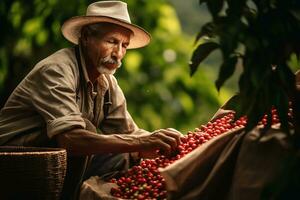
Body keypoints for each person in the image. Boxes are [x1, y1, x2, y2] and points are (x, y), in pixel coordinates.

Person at [0, 1, 182, 198]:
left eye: (124, 45)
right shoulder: (56, 70)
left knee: (128, 156)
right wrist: (142, 142)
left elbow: (130, 134)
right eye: (112, 41)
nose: (118, 53)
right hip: (16, 165)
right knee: (87, 130)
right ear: (86, 37)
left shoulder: (107, 83)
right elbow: (71, 140)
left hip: (59, 165)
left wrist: (165, 143)